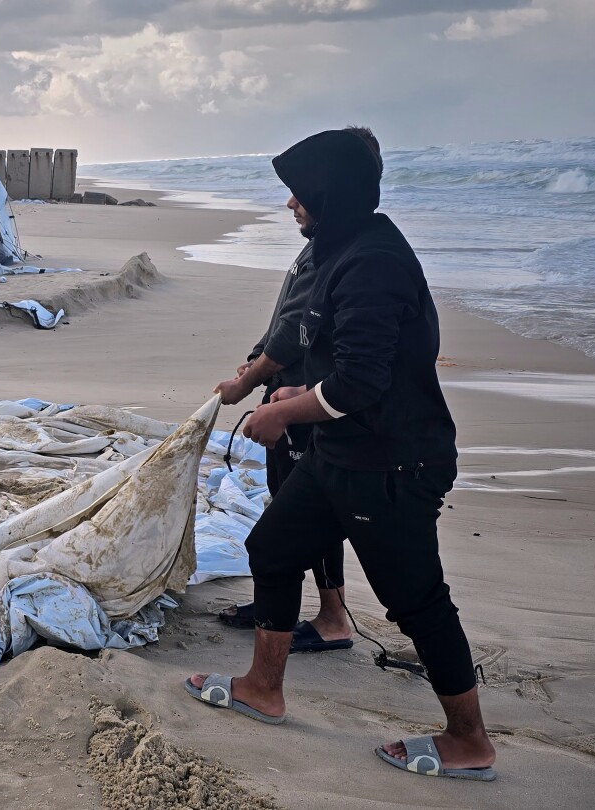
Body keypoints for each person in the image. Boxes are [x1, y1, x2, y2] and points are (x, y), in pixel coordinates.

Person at [185, 129, 496, 782]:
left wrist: (278, 411)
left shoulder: (375, 262)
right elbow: (325, 350)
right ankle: (263, 689)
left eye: (300, 192)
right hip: (342, 454)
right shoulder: (341, 248)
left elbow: (362, 383)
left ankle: (469, 741)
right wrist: (294, 388)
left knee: (416, 602)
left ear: (332, 193)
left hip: (392, 465)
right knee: (272, 548)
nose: (291, 203)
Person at [210, 126, 384, 651]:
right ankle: (277, 605)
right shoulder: (320, 247)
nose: (290, 202)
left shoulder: (344, 254)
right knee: (284, 500)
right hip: (289, 392)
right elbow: (284, 318)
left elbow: (293, 335)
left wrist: (249, 381)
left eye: (302, 191)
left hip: (307, 400)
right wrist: (252, 366)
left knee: (308, 509)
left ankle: (333, 618)